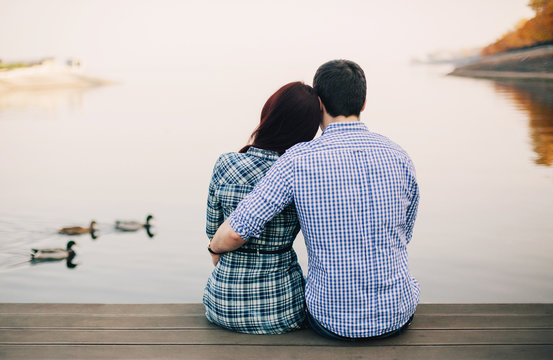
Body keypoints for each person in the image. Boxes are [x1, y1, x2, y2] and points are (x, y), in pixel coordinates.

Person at [209, 59, 420, 340]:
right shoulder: (399, 156)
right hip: (397, 314)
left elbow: (237, 230)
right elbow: (405, 233)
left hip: (330, 321)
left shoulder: (298, 160)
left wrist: (213, 248)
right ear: (364, 102)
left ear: (319, 103)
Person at [203, 81, 322, 334]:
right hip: (283, 309)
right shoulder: (303, 173)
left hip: (222, 305)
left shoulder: (226, 164)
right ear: (309, 130)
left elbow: (213, 235)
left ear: (268, 115)